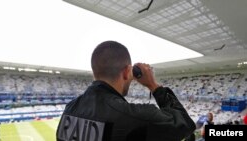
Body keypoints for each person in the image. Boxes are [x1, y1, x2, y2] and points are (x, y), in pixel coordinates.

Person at [56, 41, 196, 141]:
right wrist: (153, 85)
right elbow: (185, 125)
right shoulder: (134, 115)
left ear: (95, 72)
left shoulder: (70, 108)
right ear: (127, 72)